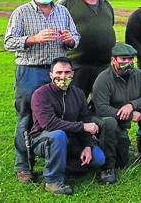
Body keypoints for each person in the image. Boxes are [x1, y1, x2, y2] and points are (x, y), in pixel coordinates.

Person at [4, 0, 80, 183]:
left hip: (58, 72)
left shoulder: (63, 11)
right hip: (31, 71)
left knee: (57, 115)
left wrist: (70, 40)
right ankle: (24, 165)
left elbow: (76, 37)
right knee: (26, 117)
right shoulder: (21, 13)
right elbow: (8, 42)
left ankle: (56, 156)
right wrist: (33, 39)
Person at [30, 57, 104, 195]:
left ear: (72, 74)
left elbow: (85, 118)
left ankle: (63, 165)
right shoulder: (40, 94)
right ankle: (53, 181)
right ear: (51, 75)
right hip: (43, 137)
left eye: (67, 72)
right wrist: (82, 127)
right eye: (58, 73)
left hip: (72, 138)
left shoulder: (78, 93)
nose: (63, 76)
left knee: (99, 159)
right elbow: (50, 124)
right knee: (59, 135)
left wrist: (87, 146)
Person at [91, 43, 141, 183]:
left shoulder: (138, 75)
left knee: (122, 162)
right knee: (109, 123)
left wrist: (131, 105)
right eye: (123, 59)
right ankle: (107, 169)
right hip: (101, 119)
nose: (128, 62)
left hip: (121, 124)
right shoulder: (103, 78)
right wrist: (130, 115)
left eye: (130, 59)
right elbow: (101, 108)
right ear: (113, 60)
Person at [58, 0, 115, 97]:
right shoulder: (66, 3)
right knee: (75, 101)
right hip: (77, 66)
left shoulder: (106, 4)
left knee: (102, 102)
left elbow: (109, 25)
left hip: (103, 66)